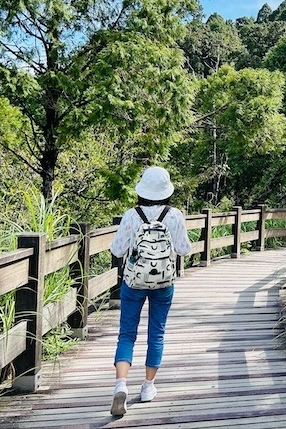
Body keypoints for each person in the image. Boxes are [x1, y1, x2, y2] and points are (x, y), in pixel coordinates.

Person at [109, 166, 191, 416]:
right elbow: (184, 248)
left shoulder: (131, 215)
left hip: (133, 282)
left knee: (126, 334)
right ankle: (148, 387)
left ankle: (120, 385)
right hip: (164, 283)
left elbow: (117, 250)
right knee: (157, 334)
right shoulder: (174, 215)